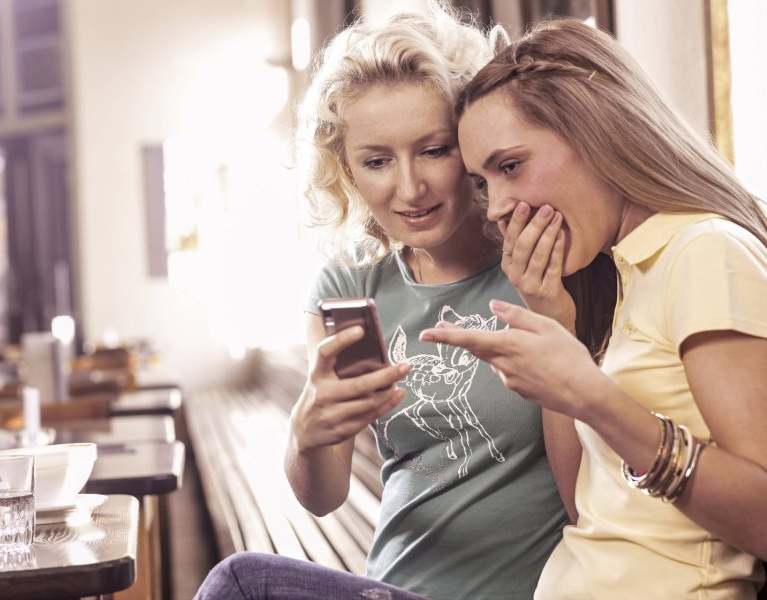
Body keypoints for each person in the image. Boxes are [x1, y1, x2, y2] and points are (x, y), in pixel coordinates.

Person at [194, 4, 572, 600]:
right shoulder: (350, 286)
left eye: (434, 150)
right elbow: (323, 496)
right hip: (393, 588)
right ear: (344, 169)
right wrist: (309, 430)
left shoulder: (540, 262)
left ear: (471, 144)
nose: (409, 188)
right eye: (376, 161)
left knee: (240, 584)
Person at [419, 18, 767, 599]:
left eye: (510, 166)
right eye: (484, 183)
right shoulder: (626, 272)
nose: (498, 208)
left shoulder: (704, 251)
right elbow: (584, 510)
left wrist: (597, 399)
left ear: (597, 130)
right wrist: (553, 320)